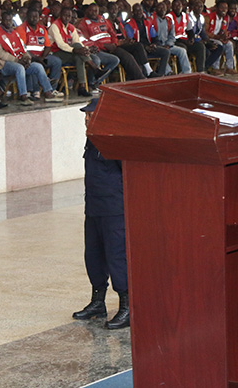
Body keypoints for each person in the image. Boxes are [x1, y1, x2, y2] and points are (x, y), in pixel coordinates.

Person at [72, 98, 129, 330]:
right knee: (93, 256)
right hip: (93, 207)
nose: (86, 118)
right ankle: (98, 302)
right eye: (85, 115)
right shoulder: (91, 140)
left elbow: (126, 175)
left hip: (114, 210)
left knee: (117, 258)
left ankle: (127, 306)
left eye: (90, 114)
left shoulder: (114, 142)